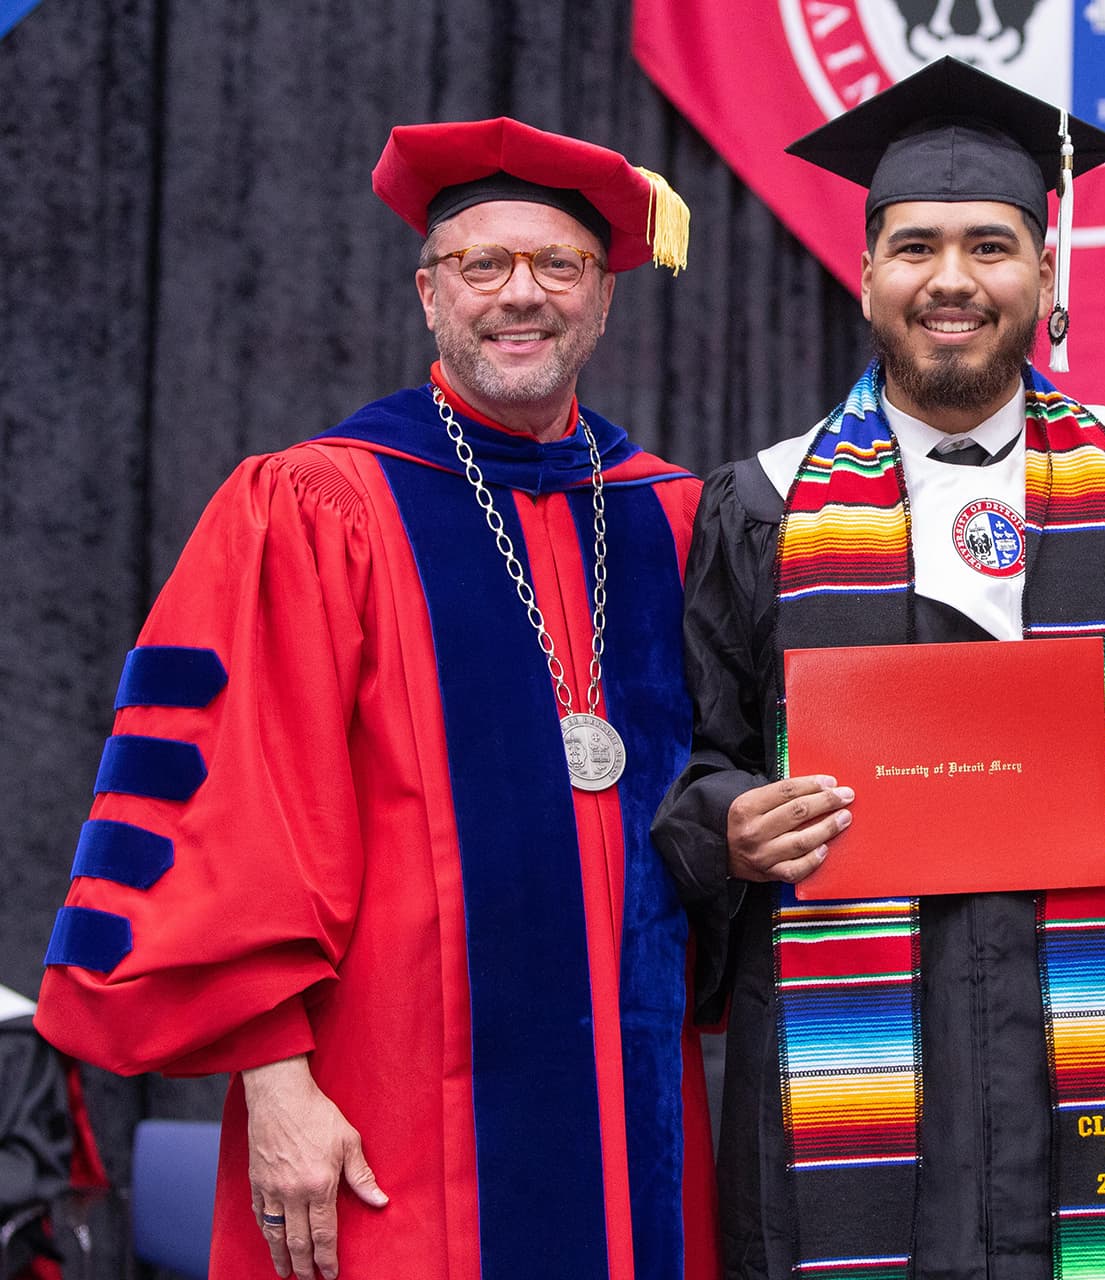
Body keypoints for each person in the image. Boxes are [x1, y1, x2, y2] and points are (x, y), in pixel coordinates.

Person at [649, 56, 1105, 1280]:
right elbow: (700, 752)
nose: (952, 280)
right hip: (846, 1061)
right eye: (916, 246)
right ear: (863, 276)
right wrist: (728, 823)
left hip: (1099, 1036)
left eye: (992, 245)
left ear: (1045, 274)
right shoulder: (767, 504)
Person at [34, 118, 718, 1280]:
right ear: (428, 293)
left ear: (603, 300)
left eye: (559, 265)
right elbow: (235, 801)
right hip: (387, 1101)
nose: (522, 295)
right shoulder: (318, 506)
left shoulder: (676, 517)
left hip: (631, 1099)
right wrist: (277, 1082)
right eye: (482, 264)